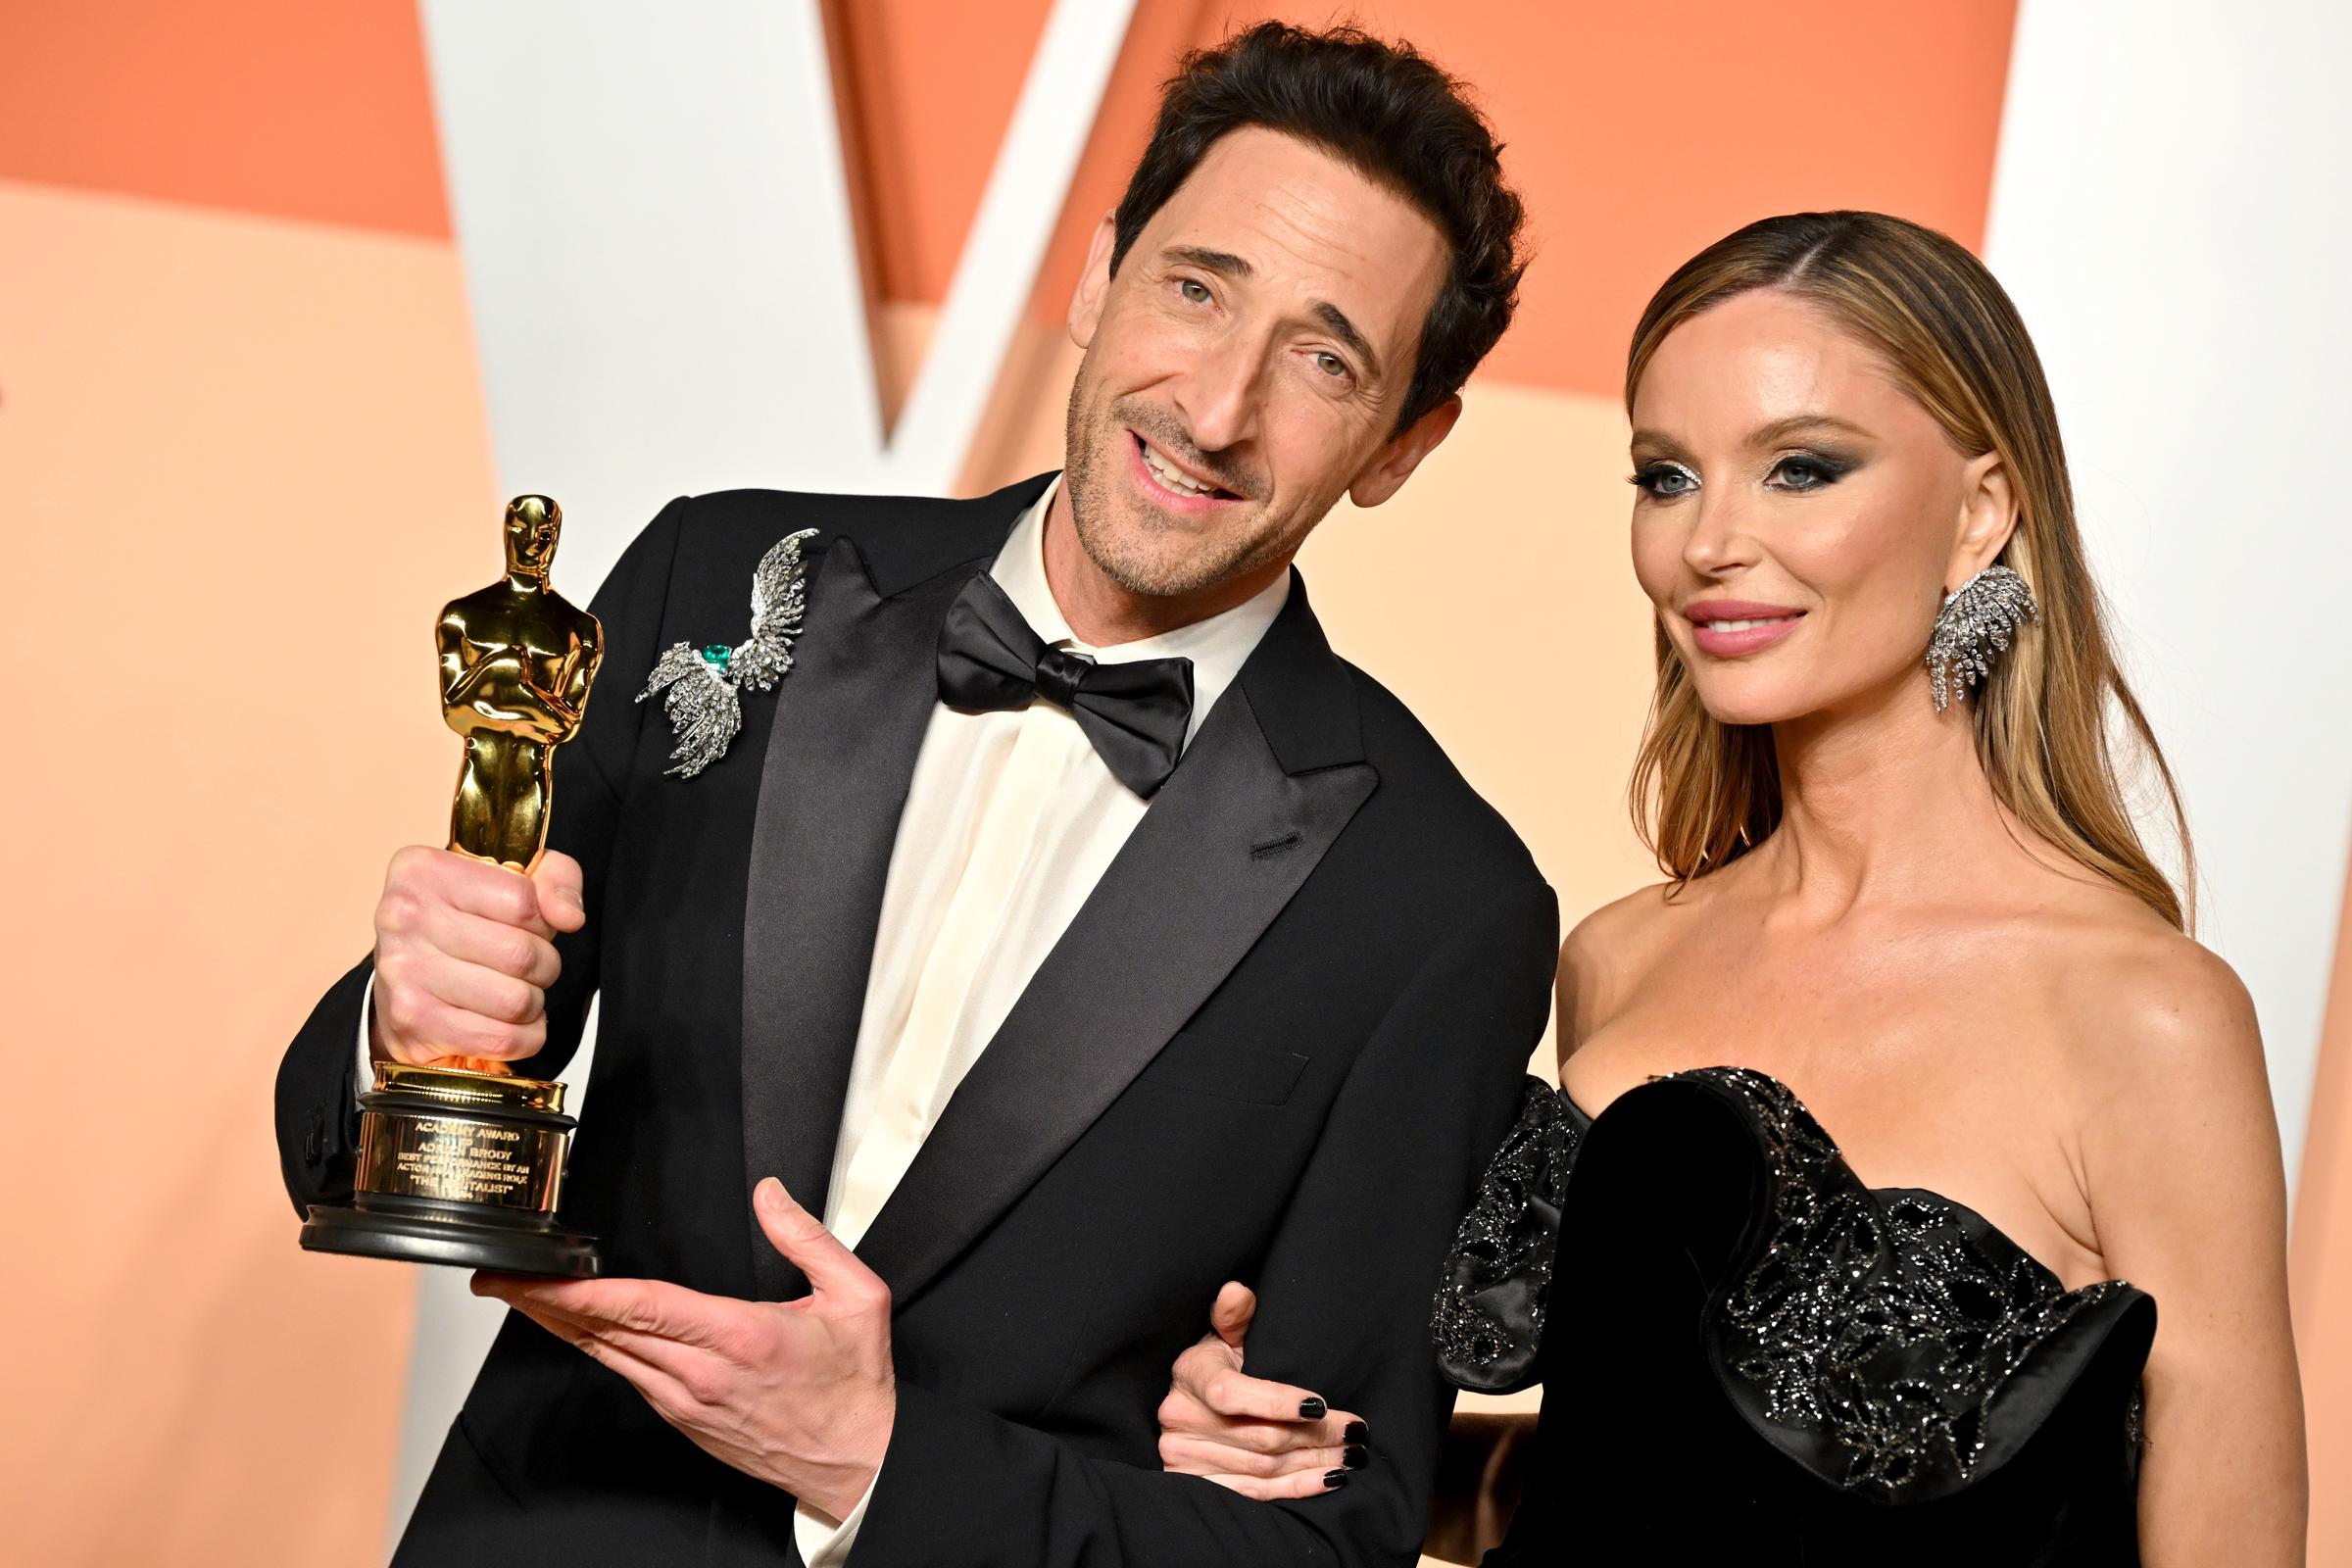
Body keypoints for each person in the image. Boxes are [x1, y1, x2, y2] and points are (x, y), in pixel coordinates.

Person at [273, 23, 1555, 1566]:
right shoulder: (722, 576)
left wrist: (885, 1468)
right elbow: (368, 1131)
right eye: (1197, 287)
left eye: (1326, 357)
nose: (1217, 407)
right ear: (1098, 275)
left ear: (1403, 445)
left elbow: (1332, 1543)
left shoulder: (1437, 902)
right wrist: (402, 1029)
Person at [1152, 211, 2308, 1564]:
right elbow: (1631, 1478)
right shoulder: (1621, 960)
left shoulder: (2147, 1019)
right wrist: (1318, 1446)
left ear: (1980, 514)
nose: (1708, 544)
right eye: (1666, 477)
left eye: (1801, 468)